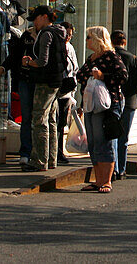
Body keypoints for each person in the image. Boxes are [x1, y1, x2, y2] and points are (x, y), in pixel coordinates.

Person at [75, 26, 128, 193]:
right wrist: (90, 75)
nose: (87, 41)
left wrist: (102, 76)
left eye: (89, 37)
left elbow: (123, 76)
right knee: (93, 142)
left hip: (107, 105)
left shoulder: (111, 56)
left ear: (98, 39)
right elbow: (79, 76)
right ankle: (98, 180)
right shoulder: (92, 58)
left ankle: (107, 180)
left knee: (104, 141)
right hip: (90, 104)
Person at [20, 6, 70, 172]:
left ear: (44, 17)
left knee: (39, 119)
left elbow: (42, 61)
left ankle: (39, 161)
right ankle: (51, 158)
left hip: (45, 81)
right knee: (52, 120)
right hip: (57, 81)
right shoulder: (59, 32)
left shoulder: (46, 33)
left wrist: (28, 62)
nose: (34, 22)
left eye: (36, 18)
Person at [0, 15, 35, 165]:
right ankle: (26, 152)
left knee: (42, 119)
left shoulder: (49, 36)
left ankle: (40, 153)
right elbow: (15, 55)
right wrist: (3, 68)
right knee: (27, 118)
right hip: (24, 80)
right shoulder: (26, 36)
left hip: (43, 83)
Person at [111, 30, 137, 181]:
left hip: (111, 101)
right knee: (123, 138)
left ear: (111, 41)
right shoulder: (132, 58)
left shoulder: (109, 57)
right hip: (129, 101)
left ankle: (112, 168)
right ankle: (121, 169)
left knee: (112, 135)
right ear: (124, 42)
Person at [54, 19, 79, 165]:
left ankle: (59, 151)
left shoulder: (70, 48)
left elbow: (74, 69)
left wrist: (73, 93)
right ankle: (54, 151)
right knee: (54, 121)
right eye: (66, 34)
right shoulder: (56, 47)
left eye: (70, 35)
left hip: (67, 92)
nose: (68, 37)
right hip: (56, 89)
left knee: (62, 123)